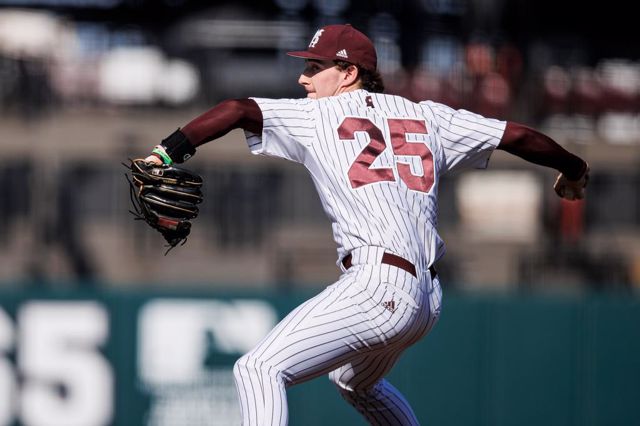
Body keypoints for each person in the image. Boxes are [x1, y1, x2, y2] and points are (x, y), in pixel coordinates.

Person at [142, 24, 589, 425]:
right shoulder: (430, 116)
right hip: (426, 300)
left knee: (258, 369)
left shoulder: (317, 116)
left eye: (314, 68)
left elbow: (239, 108)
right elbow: (518, 135)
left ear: (348, 73)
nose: (303, 79)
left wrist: (166, 151)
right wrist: (573, 168)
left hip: (378, 285)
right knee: (353, 381)